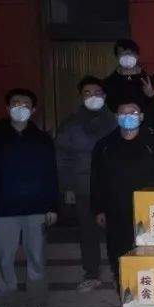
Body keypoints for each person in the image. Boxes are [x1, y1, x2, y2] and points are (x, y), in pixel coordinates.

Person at [0, 88, 59, 307]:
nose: (20, 107)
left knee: (37, 259)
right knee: (4, 260)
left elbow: (51, 174)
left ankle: (38, 302)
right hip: (3, 209)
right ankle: (4, 304)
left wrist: (52, 206)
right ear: (7, 107)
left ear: (33, 109)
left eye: (25, 104)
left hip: (36, 208)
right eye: (15, 103)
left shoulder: (41, 139)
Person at [91, 101, 154, 307]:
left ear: (142, 116)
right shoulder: (104, 145)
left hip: (148, 212)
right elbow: (96, 179)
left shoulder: (153, 143)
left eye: (133, 113)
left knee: (149, 260)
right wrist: (98, 208)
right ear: (116, 116)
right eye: (123, 113)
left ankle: (151, 306)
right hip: (116, 210)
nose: (128, 117)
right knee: (120, 261)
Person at [55, 76, 117, 293]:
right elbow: (61, 158)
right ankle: (92, 274)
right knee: (88, 232)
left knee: (117, 232)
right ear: (81, 97)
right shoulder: (71, 124)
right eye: (87, 93)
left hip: (113, 186)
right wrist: (67, 187)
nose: (93, 97)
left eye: (97, 92)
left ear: (105, 96)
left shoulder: (116, 121)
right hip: (83, 186)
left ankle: (119, 272)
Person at [103, 39, 151, 112]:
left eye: (130, 53)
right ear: (117, 57)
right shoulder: (108, 83)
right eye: (122, 53)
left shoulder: (148, 81)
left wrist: (151, 96)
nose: (127, 56)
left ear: (137, 56)